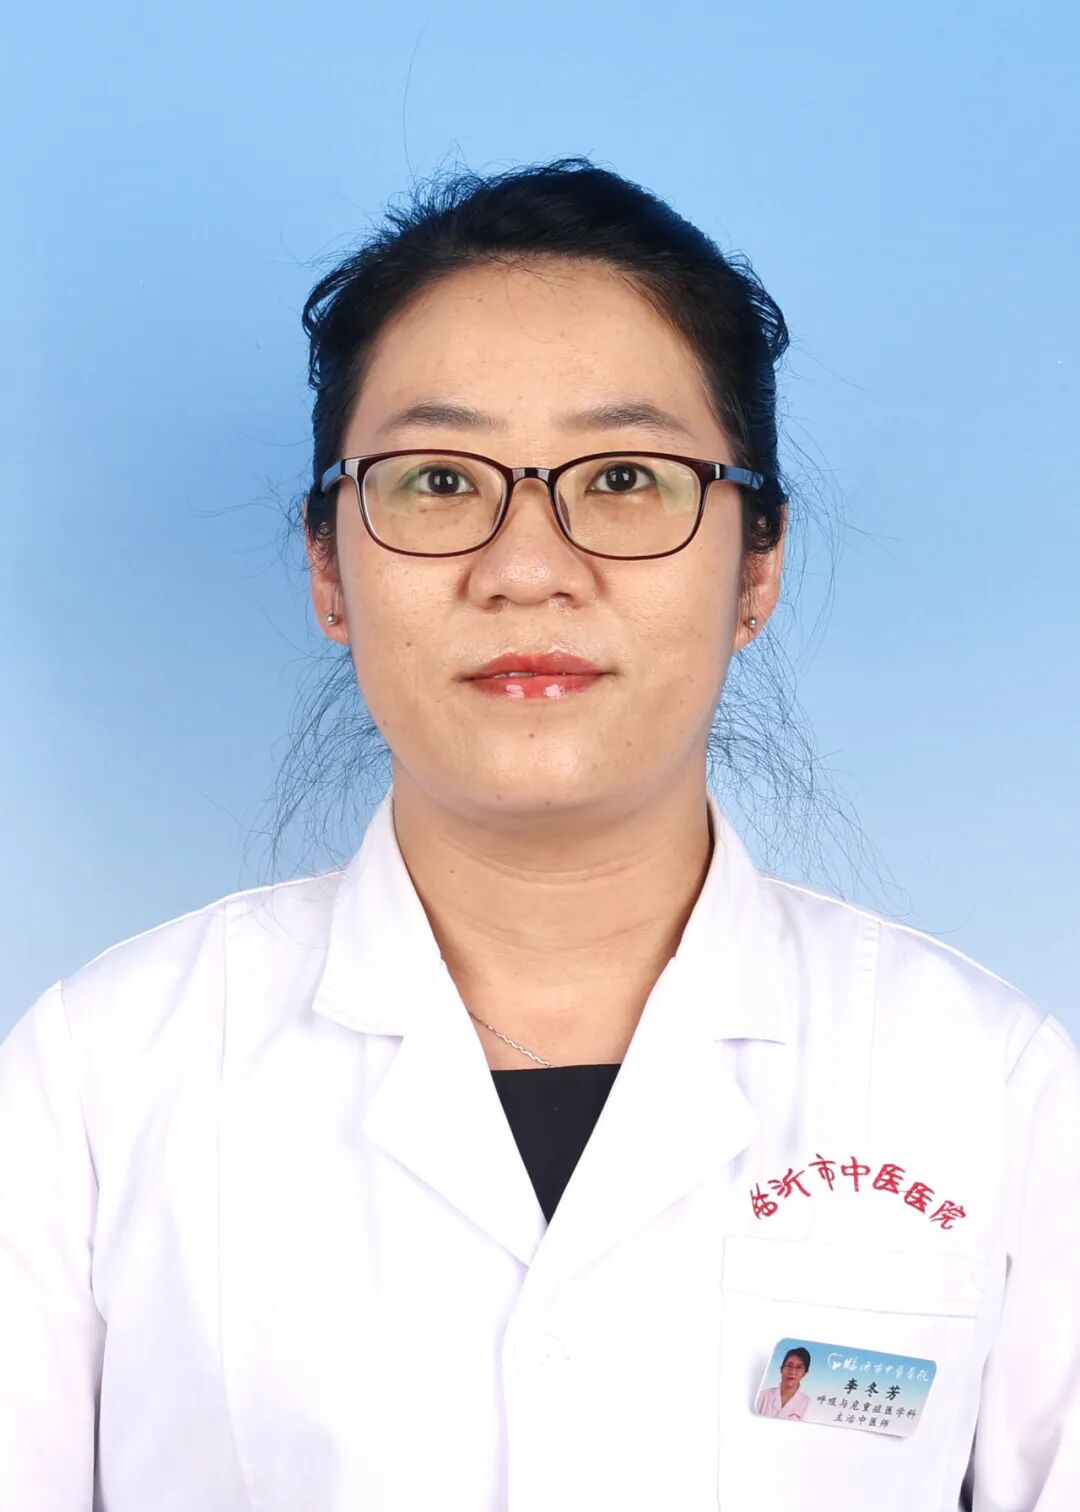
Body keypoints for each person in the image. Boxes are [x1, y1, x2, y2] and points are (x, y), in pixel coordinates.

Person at [1, 158, 1077, 1512]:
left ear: (757, 566)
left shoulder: (987, 1089)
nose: (526, 567)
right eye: (438, 480)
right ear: (330, 566)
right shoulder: (101, 1081)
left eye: (625, 476)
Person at [755, 1346, 812, 1420]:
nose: (792, 1372)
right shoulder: (762, 1396)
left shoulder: (807, 1403)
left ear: (804, 1373)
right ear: (781, 1369)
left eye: (799, 1367)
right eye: (789, 1365)